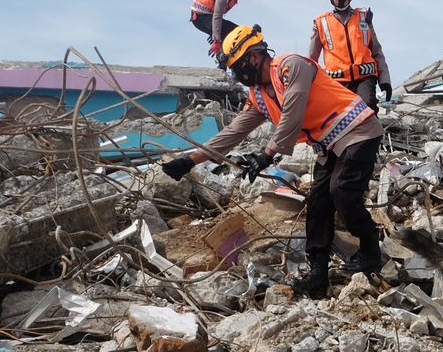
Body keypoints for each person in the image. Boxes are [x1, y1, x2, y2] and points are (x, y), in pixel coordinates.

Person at [160, 25, 385, 298]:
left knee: (342, 192)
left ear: (253, 58)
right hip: (329, 145)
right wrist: (190, 160)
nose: (236, 74)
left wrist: (268, 153)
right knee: (318, 204)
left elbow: (293, 110)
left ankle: (371, 249)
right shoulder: (259, 96)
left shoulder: (291, 67)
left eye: (237, 66)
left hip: (358, 130)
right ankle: (317, 273)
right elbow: (233, 132)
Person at [307, 0, 391, 110]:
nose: (340, 1)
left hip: (364, 79)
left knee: (367, 111)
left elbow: (377, 51)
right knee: (341, 118)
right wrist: (306, 87)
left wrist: (385, 81)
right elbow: (311, 61)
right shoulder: (321, 22)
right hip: (337, 83)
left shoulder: (364, 18)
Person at [189, 0, 265, 60]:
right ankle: (222, 62)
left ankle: (222, 58)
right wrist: (216, 39)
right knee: (236, 33)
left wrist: (215, 32)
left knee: (235, 31)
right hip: (200, 17)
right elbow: (217, 15)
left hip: (204, 16)